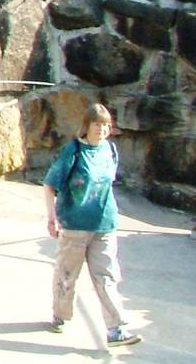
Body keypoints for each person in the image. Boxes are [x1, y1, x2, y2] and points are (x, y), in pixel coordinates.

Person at [43, 102, 141, 347]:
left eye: (106, 125)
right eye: (97, 124)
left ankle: (116, 329)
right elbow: (50, 184)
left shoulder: (110, 150)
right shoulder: (73, 151)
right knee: (67, 275)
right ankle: (60, 315)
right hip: (74, 225)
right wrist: (51, 218)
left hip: (104, 224)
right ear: (86, 126)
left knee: (106, 276)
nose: (102, 129)